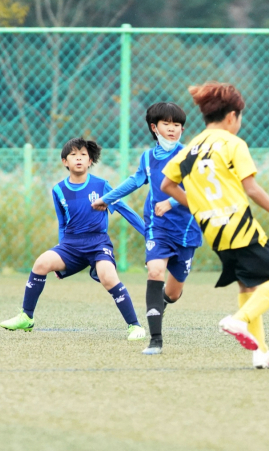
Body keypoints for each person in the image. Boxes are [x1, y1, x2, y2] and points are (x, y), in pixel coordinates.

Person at [161, 81, 269, 369]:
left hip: (213, 229)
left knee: (248, 286)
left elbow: (167, 184)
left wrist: (199, 207)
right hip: (239, 224)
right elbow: (252, 188)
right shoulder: (233, 143)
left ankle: (260, 353)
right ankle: (238, 321)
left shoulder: (189, 149)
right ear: (231, 116)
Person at [0, 137, 147, 341]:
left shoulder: (101, 186)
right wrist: (62, 259)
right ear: (64, 162)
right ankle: (27, 316)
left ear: (90, 161)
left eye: (83, 155)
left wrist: (149, 235)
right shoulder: (58, 190)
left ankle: (135, 326)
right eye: (73, 155)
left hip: (98, 243)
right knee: (42, 263)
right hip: (70, 245)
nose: (79, 159)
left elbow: (125, 211)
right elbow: (62, 223)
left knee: (108, 276)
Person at [91, 103, 202, 355]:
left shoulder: (188, 155)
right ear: (155, 128)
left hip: (186, 229)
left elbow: (197, 189)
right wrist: (107, 198)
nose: (173, 130)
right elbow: (135, 180)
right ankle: (155, 339)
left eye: (177, 126)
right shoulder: (147, 158)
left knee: (173, 293)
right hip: (157, 227)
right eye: (167, 125)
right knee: (155, 270)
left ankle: (163, 301)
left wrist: (171, 201)